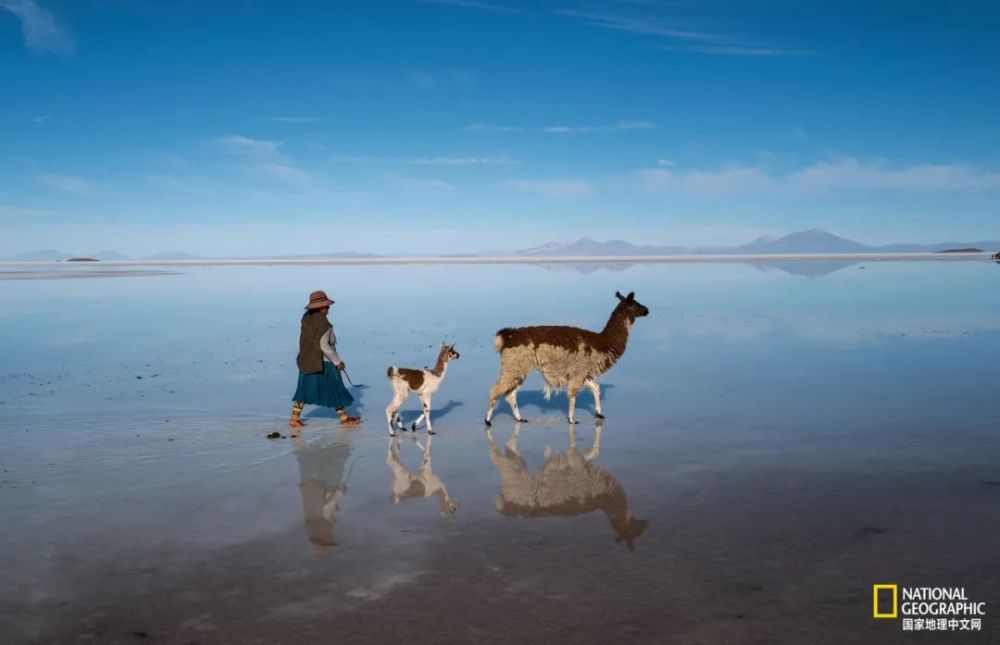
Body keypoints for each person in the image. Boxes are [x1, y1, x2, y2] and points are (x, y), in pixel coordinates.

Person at [289, 290, 361, 428]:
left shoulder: (307, 320)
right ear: (321, 307)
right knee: (336, 388)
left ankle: (294, 418)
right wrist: (338, 362)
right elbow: (324, 346)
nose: (329, 308)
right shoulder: (323, 323)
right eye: (327, 306)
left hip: (306, 360)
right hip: (324, 363)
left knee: (304, 390)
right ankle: (344, 418)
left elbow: (305, 342)